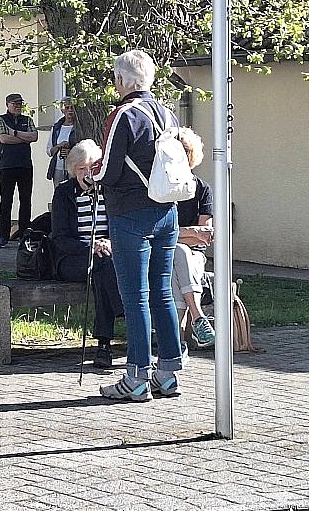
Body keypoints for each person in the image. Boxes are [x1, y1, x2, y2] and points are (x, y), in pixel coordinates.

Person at [93, 49, 183, 402]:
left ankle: (136, 377)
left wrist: (92, 178)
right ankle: (169, 372)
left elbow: (109, 170)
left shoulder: (123, 115)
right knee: (162, 292)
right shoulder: (168, 113)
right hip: (167, 212)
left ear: (121, 81)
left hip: (130, 213)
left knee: (135, 296)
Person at [50, 140, 124, 369]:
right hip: (71, 259)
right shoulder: (64, 193)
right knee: (104, 266)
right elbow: (60, 238)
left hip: (107, 256)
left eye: (91, 168)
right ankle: (123, 317)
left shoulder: (108, 191)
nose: (86, 173)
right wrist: (91, 246)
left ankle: (104, 346)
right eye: (81, 168)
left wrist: (108, 242)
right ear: (73, 170)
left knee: (103, 270)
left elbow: (119, 226)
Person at [173, 127, 216, 347]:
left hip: (193, 256)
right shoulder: (164, 190)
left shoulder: (203, 189)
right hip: (167, 253)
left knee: (179, 258)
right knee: (178, 253)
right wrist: (191, 232)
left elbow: (204, 237)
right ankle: (198, 316)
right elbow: (160, 235)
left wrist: (177, 234)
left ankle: (176, 341)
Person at [0, 93, 39, 248]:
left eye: (20, 104)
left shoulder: (27, 120)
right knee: (6, 201)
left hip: (25, 165)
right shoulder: (0, 119)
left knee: (25, 201)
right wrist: (22, 138)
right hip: (7, 165)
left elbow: (34, 136)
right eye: (15, 104)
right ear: (8, 104)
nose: (18, 106)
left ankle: (24, 235)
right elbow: (3, 139)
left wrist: (14, 133)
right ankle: (2, 236)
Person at [46, 97, 77, 185]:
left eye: (72, 107)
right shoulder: (56, 127)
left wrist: (70, 151)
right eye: (67, 108)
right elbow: (49, 151)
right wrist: (59, 146)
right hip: (58, 168)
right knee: (59, 193)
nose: (70, 110)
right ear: (63, 110)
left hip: (74, 167)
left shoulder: (79, 128)